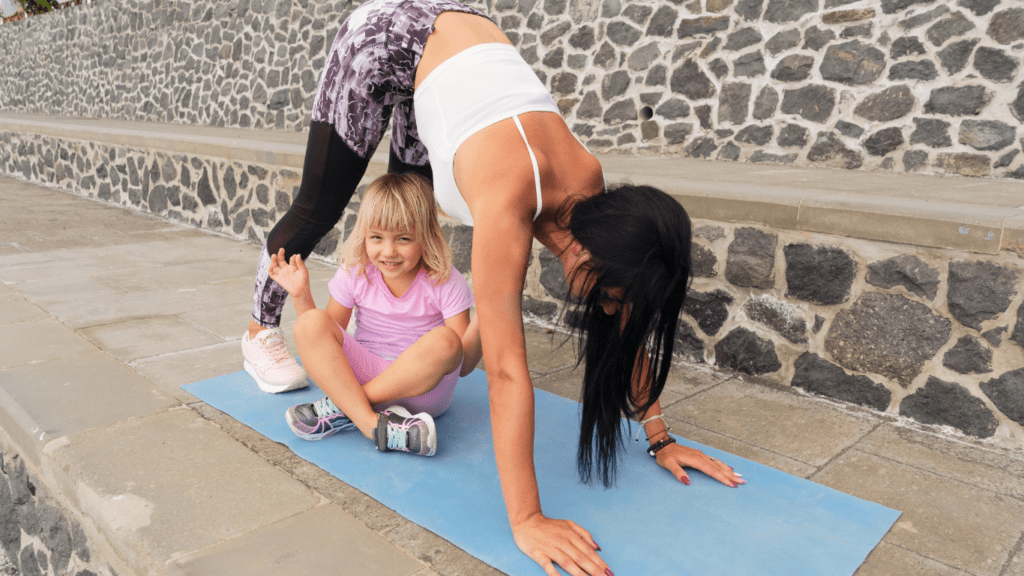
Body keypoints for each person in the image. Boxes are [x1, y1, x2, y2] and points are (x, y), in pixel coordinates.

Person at [243, 1, 746, 574]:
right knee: (317, 206)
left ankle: (356, 395)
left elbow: (623, 321)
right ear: (589, 254)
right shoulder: (507, 206)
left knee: (407, 193)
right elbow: (506, 371)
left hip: (458, 47)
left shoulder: (594, 192)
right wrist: (528, 520)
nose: (607, 307)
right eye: (609, 295)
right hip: (389, 36)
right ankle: (258, 329)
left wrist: (659, 436)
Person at [267, 172, 480, 455]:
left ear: (426, 236)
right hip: (363, 374)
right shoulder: (356, 271)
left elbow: (461, 363)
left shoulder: (445, 280)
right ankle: (372, 425)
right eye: (377, 237)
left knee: (446, 341)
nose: (388, 251)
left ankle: (345, 408)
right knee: (308, 323)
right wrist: (301, 296)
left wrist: (486, 315)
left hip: (422, 391)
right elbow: (326, 338)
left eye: (403, 239)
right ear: (364, 234)